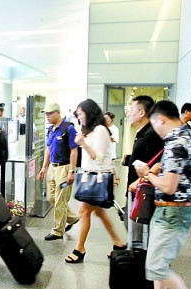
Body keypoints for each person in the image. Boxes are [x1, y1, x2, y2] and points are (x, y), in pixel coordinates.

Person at [135, 100, 191, 289]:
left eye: (154, 124)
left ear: (161, 120)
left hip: (172, 213)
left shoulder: (175, 143)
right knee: (159, 267)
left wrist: (146, 173)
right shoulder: (189, 135)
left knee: (156, 268)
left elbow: (169, 187)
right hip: (175, 211)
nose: (155, 130)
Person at [64, 99, 125, 263]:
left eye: (80, 114)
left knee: (84, 211)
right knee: (98, 212)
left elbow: (97, 157)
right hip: (90, 177)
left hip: (97, 178)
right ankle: (118, 242)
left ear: (89, 113)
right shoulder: (90, 130)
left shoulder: (100, 130)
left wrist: (83, 143)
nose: (78, 117)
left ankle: (80, 248)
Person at [38, 103, 79, 241]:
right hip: (52, 169)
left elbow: (74, 150)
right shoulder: (51, 130)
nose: (47, 116)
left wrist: (71, 171)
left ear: (57, 113)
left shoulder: (69, 129)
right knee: (52, 198)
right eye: (46, 114)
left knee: (60, 200)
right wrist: (44, 167)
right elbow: (48, 149)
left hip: (64, 169)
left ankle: (57, 230)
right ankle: (72, 218)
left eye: (49, 113)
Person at [126, 95, 164, 243]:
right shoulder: (143, 133)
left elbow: (159, 164)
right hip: (137, 190)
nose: (129, 113)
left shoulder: (152, 135)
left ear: (142, 113)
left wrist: (141, 180)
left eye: (131, 109)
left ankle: (142, 258)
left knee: (142, 232)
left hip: (144, 193)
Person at [104, 111, 120, 185]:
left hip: (110, 149)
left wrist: (108, 137)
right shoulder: (104, 127)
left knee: (112, 165)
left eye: (107, 118)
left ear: (111, 119)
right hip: (104, 149)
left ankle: (117, 178)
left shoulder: (114, 128)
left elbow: (115, 139)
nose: (105, 120)